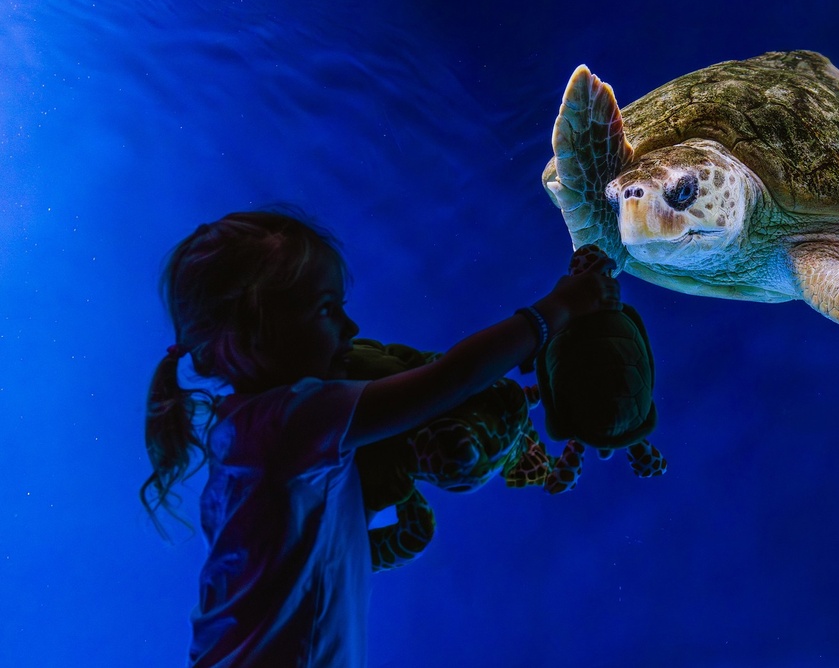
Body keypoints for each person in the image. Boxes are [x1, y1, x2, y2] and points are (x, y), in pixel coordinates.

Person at [141, 208, 620, 667]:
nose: (351, 328)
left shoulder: (244, 441)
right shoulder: (292, 420)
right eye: (327, 310)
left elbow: (323, 544)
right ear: (252, 335)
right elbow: (451, 379)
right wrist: (558, 308)